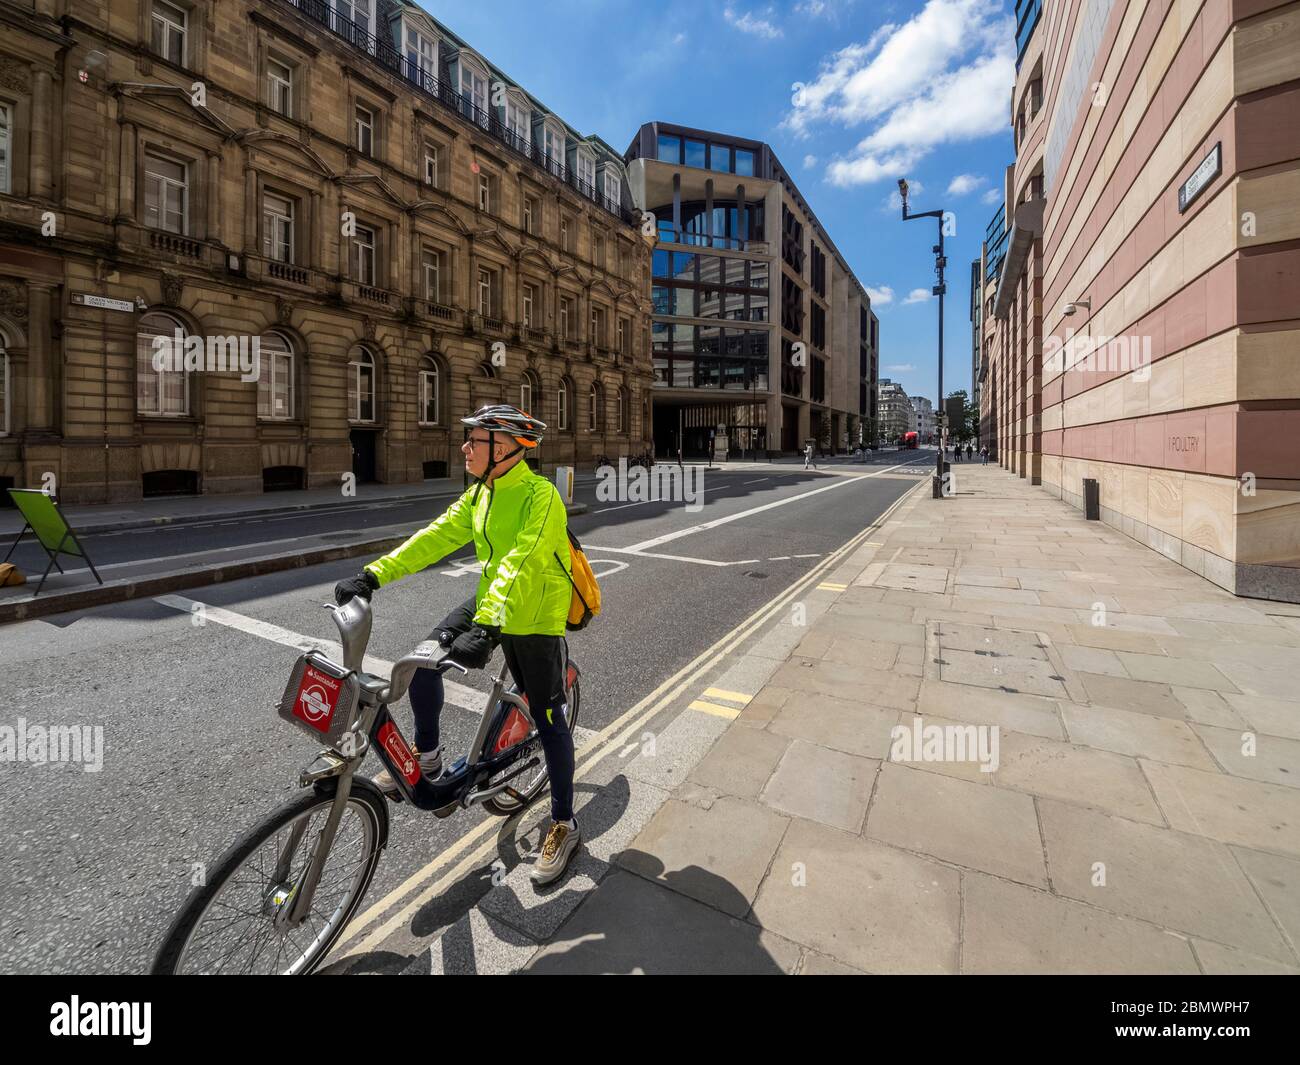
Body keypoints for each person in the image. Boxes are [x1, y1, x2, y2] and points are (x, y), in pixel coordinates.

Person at [332, 405, 580, 886]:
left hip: (533, 613)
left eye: (474, 440)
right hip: (494, 599)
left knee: (548, 717)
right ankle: (427, 762)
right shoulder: (481, 495)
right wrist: (373, 575)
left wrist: (488, 627)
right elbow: (436, 537)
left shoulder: (541, 496)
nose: (464, 447)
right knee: (424, 663)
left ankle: (564, 823)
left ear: (504, 448)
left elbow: (520, 562)